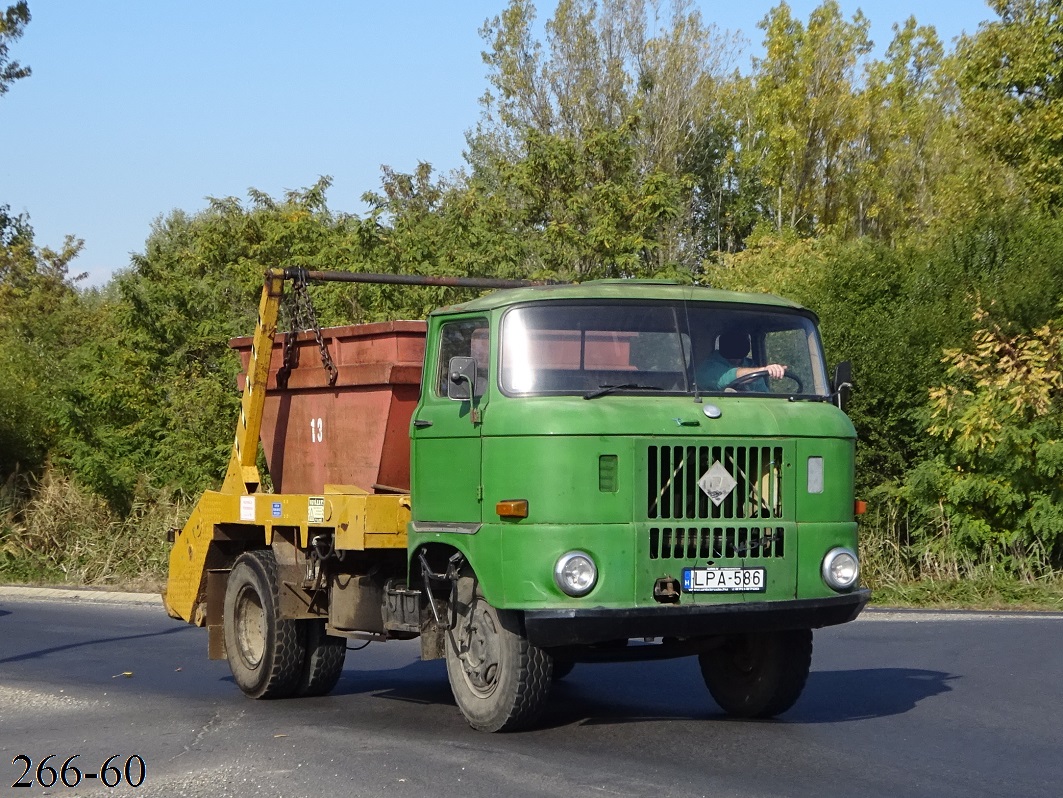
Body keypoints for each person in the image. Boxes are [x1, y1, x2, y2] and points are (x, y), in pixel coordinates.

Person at [696, 331, 785, 391]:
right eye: (732, 346)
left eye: (741, 347)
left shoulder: (750, 365)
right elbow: (729, 377)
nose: (737, 360)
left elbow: (764, 393)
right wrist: (765, 370)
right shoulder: (707, 368)